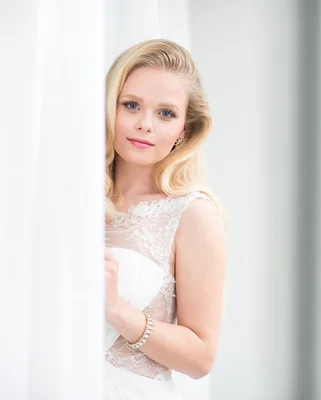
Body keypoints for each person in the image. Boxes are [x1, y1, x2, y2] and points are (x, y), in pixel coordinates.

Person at [103, 39, 226, 399]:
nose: (145, 124)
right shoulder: (74, 200)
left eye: (166, 113)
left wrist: (116, 311)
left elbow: (201, 358)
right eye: (131, 105)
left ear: (184, 131)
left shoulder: (192, 214)